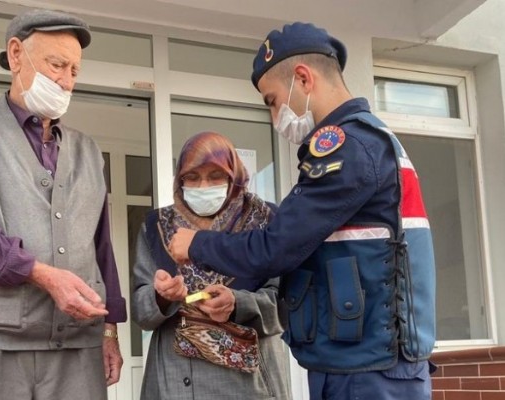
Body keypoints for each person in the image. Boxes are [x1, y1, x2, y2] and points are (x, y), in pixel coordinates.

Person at [169, 22, 437, 400]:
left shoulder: (348, 149)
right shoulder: (365, 143)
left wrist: (197, 243)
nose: (275, 114)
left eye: (273, 100)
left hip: (366, 369)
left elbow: (275, 248)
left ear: (302, 78)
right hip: (364, 360)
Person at [0, 8, 126, 400]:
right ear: (17, 54)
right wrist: (39, 272)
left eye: (75, 71)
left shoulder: (89, 152)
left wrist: (110, 329)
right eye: (57, 64)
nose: (66, 81)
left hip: (76, 347)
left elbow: (101, 247)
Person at [132, 131, 290, 400]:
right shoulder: (156, 227)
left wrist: (237, 303)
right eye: (191, 177)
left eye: (215, 176)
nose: (203, 186)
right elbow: (141, 310)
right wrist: (160, 297)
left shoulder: (266, 223)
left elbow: (286, 305)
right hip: (175, 381)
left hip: (250, 381)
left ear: (234, 177)